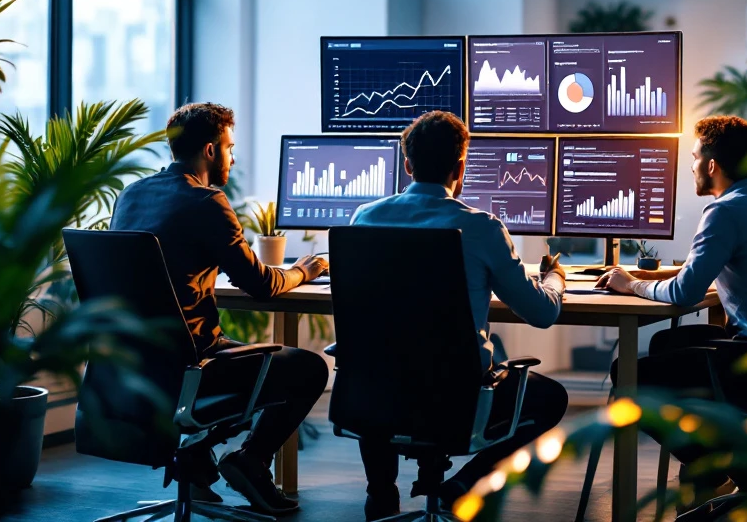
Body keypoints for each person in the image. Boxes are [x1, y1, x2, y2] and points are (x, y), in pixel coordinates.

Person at [110, 102, 329, 515]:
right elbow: (262, 284)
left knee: (250, 356)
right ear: (210, 150)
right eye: (229, 147)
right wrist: (303, 270)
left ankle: (194, 459)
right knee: (308, 368)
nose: (232, 156)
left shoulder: (131, 194)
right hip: (192, 366)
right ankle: (250, 460)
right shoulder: (207, 201)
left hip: (132, 363)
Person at [350, 111, 569, 520]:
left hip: (375, 397)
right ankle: (463, 485)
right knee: (550, 397)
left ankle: (381, 493)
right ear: (461, 167)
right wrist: (554, 278)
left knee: (384, 364)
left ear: (408, 164)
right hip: (456, 400)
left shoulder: (365, 218)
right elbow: (541, 312)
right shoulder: (482, 228)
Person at [597, 115, 747, 370]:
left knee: (625, 370)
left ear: (711, 166)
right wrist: (658, 275)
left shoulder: (724, 211)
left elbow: (686, 293)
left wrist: (632, 285)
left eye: (695, 158)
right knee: (664, 342)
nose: (692, 167)